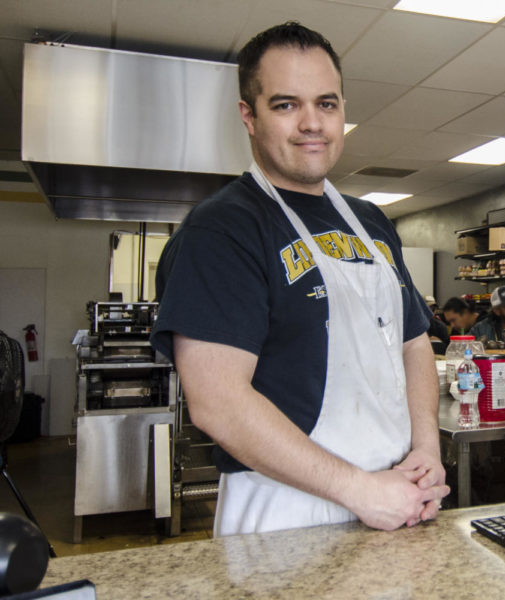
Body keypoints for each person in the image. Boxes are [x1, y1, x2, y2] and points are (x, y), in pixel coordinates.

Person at [149, 22, 449, 537]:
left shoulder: (372, 222)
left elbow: (412, 342)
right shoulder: (223, 228)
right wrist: (358, 490)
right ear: (249, 115)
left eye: (326, 104)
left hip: (397, 500)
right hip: (286, 513)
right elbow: (217, 401)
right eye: (287, 105)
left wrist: (425, 449)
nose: (312, 123)